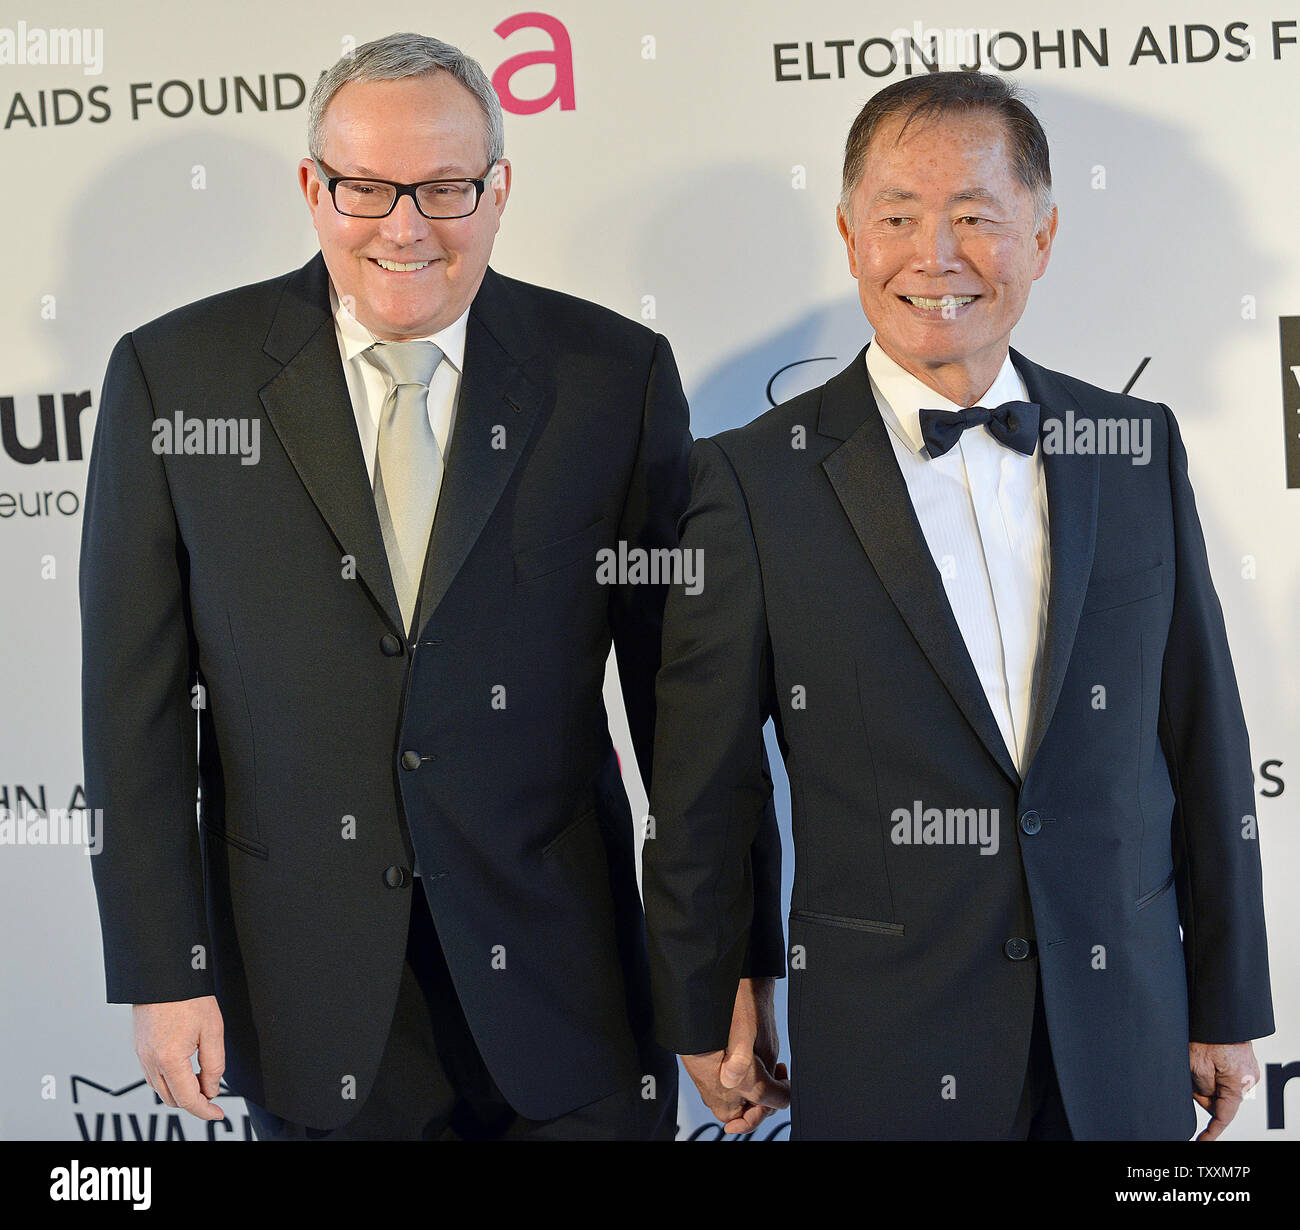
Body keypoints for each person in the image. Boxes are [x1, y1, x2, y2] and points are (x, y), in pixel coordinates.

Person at [80, 31, 782, 1141]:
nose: (404, 226)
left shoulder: (612, 376)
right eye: (366, 187)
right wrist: (163, 971)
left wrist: (731, 966)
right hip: (309, 999)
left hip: (575, 995)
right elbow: (135, 712)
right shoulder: (176, 376)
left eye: (446, 187)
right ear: (313, 188)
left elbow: (688, 717)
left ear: (498, 190)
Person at [642, 70, 1274, 1141]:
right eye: (897, 218)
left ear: (1043, 233)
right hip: (889, 1037)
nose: (934, 256)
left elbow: (1200, 734)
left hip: (1120, 1026)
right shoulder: (752, 482)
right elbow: (705, 785)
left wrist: (1223, 998)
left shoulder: (1132, 447)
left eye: (975, 217)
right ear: (849, 237)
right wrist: (713, 1000)